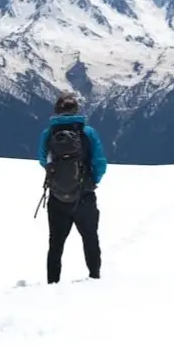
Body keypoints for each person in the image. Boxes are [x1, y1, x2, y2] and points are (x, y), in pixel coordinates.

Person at [37, 92, 107, 284]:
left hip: (57, 197)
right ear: (76, 109)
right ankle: (95, 278)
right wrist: (92, 181)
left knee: (56, 243)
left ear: (56, 111)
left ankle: (52, 283)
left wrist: (57, 178)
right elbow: (100, 161)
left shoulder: (48, 133)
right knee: (90, 238)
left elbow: (43, 159)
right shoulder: (87, 132)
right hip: (84, 196)